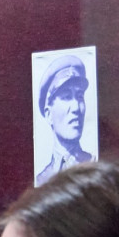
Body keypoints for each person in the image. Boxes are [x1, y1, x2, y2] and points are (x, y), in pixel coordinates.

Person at [34, 53, 93, 185]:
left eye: (79, 96)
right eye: (66, 97)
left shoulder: (94, 165)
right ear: (48, 115)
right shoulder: (41, 180)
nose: (76, 107)